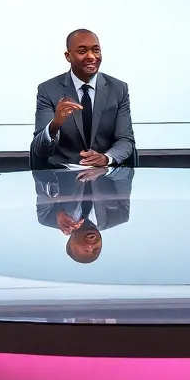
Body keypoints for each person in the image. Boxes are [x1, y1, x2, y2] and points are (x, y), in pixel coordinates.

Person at [31, 29, 135, 169]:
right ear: (68, 56)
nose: (91, 56)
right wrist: (55, 124)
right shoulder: (48, 90)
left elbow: (125, 140)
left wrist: (106, 158)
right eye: (82, 51)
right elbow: (38, 150)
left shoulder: (118, 88)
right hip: (63, 177)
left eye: (96, 50)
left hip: (106, 176)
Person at [34, 167, 134, 263]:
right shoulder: (119, 216)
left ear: (70, 242)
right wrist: (106, 170)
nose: (91, 246)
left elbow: (40, 172)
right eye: (96, 250)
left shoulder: (47, 217)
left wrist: (58, 211)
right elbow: (126, 173)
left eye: (86, 251)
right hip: (105, 152)